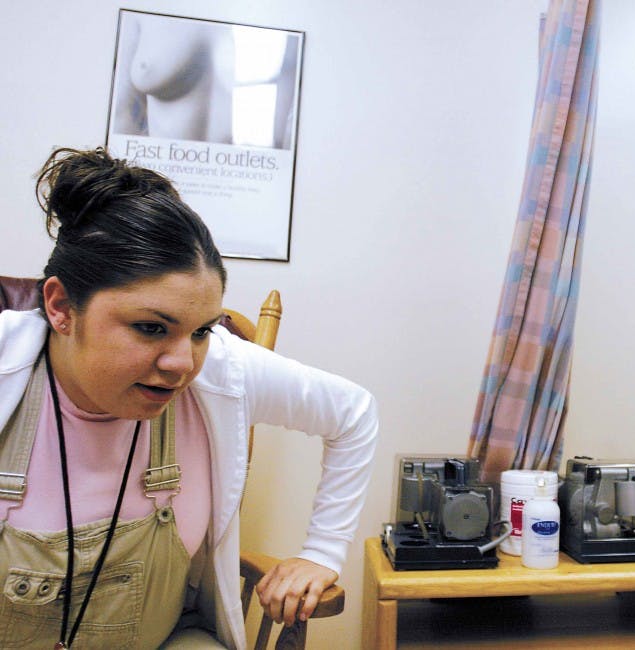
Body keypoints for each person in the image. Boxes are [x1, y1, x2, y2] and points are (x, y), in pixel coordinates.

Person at [0, 147, 378, 649]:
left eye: (200, 331)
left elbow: (353, 413)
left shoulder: (222, 370)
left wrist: (323, 552)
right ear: (62, 306)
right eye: (151, 327)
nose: (183, 363)